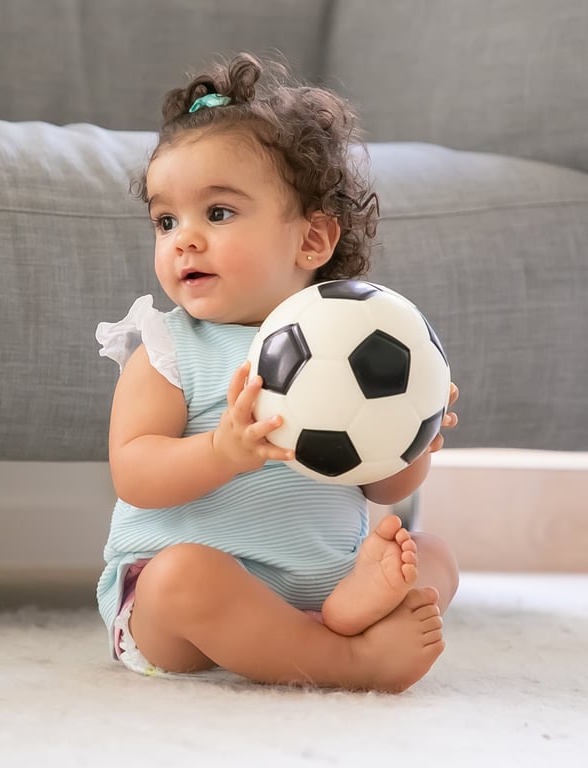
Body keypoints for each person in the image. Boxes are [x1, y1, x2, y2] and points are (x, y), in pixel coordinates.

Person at [95, 52, 459, 692]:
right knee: (183, 578)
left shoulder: (357, 340)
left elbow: (383, 487)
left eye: (218, 213)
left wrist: (413, 436)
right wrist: (221, 452)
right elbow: (134, 472)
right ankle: (348, 660)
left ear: (311, 241)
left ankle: (341, 613)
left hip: (320, 581)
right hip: (182, 612)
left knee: (435, 557)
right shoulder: (169, 346)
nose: (183, 238)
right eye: (165, 220)